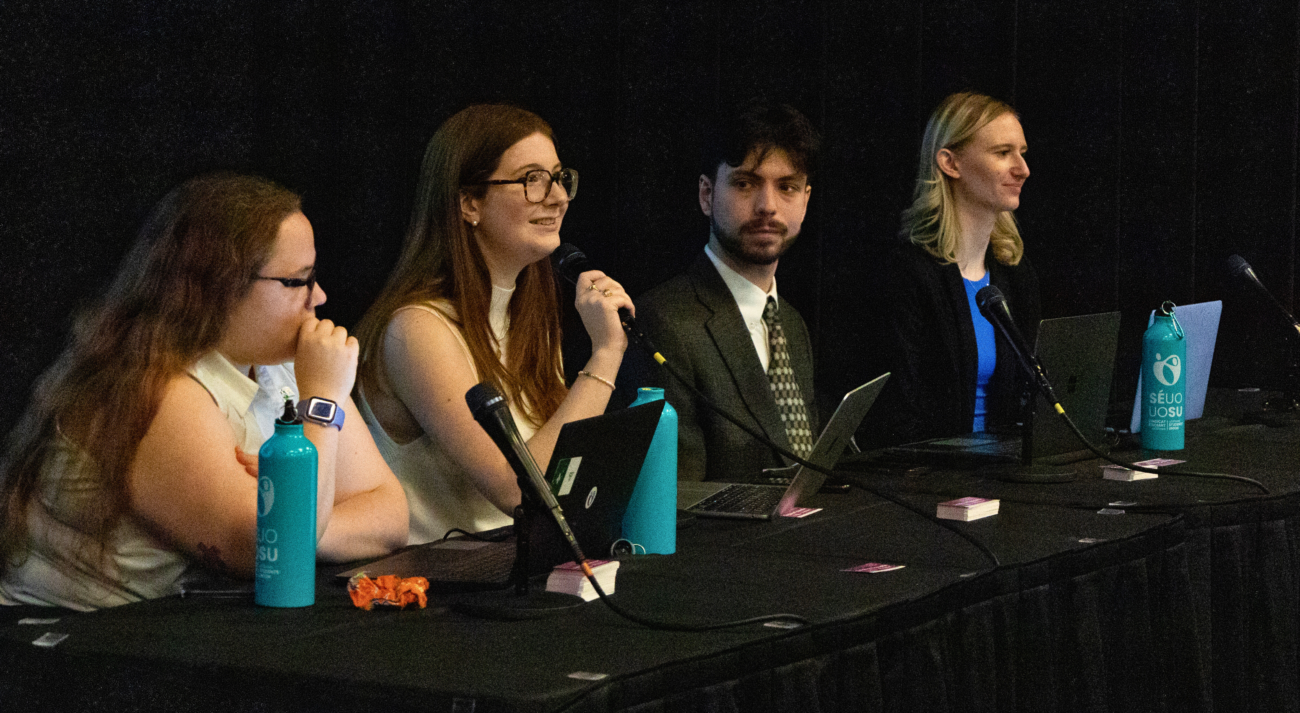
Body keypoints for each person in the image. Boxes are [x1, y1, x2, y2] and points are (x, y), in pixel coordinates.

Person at [0, 173, 409, 611]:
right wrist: (322, 409)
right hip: (76, 646)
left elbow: (390, 516)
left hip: (174, 629)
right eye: (299, 280)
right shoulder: (158, 388)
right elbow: (275, 556)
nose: (320, 297)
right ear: (221, 286)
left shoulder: (290, 366)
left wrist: (302, 521)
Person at [354, 105, 633, 545]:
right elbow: (519, 490)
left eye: (559, 177)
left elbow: (564, 472)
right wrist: (606, 355)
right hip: (438, 591)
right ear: (469, 203)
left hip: (516, 567)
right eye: (532, 180)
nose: (558, 197)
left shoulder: (528, 315)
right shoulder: (415, 330)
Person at [633, 103, 820, 483]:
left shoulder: (792, 324)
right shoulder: (663, 321)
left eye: (787, 187)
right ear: (706, 194)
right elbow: (675, 498)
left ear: (805, 200)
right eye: (745, 183)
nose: (767, 206)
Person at [880, 91, 1040, 444]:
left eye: (1022, 154)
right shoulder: (909, 273)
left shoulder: (1015, 272)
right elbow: (899, 419)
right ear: (950, 163)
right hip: (937, 482)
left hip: (1004, 473)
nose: (1023, 169)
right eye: (1003, 153)